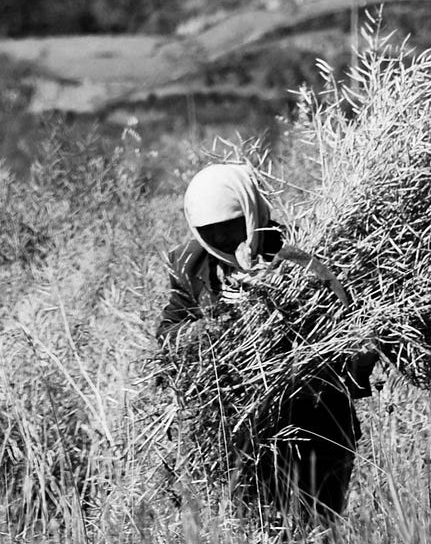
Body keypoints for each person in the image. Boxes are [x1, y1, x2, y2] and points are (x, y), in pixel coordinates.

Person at [156, 162, 374, 524]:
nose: (228, 242)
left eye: (234, 228)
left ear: (253, 211)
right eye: (215, 234)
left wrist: (360, 360)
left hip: (316, 429)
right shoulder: (189, 265)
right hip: (239, 439)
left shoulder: (303, 255)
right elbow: (168, 334)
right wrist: (206, 333)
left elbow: (348, 345)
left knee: (314, 538)